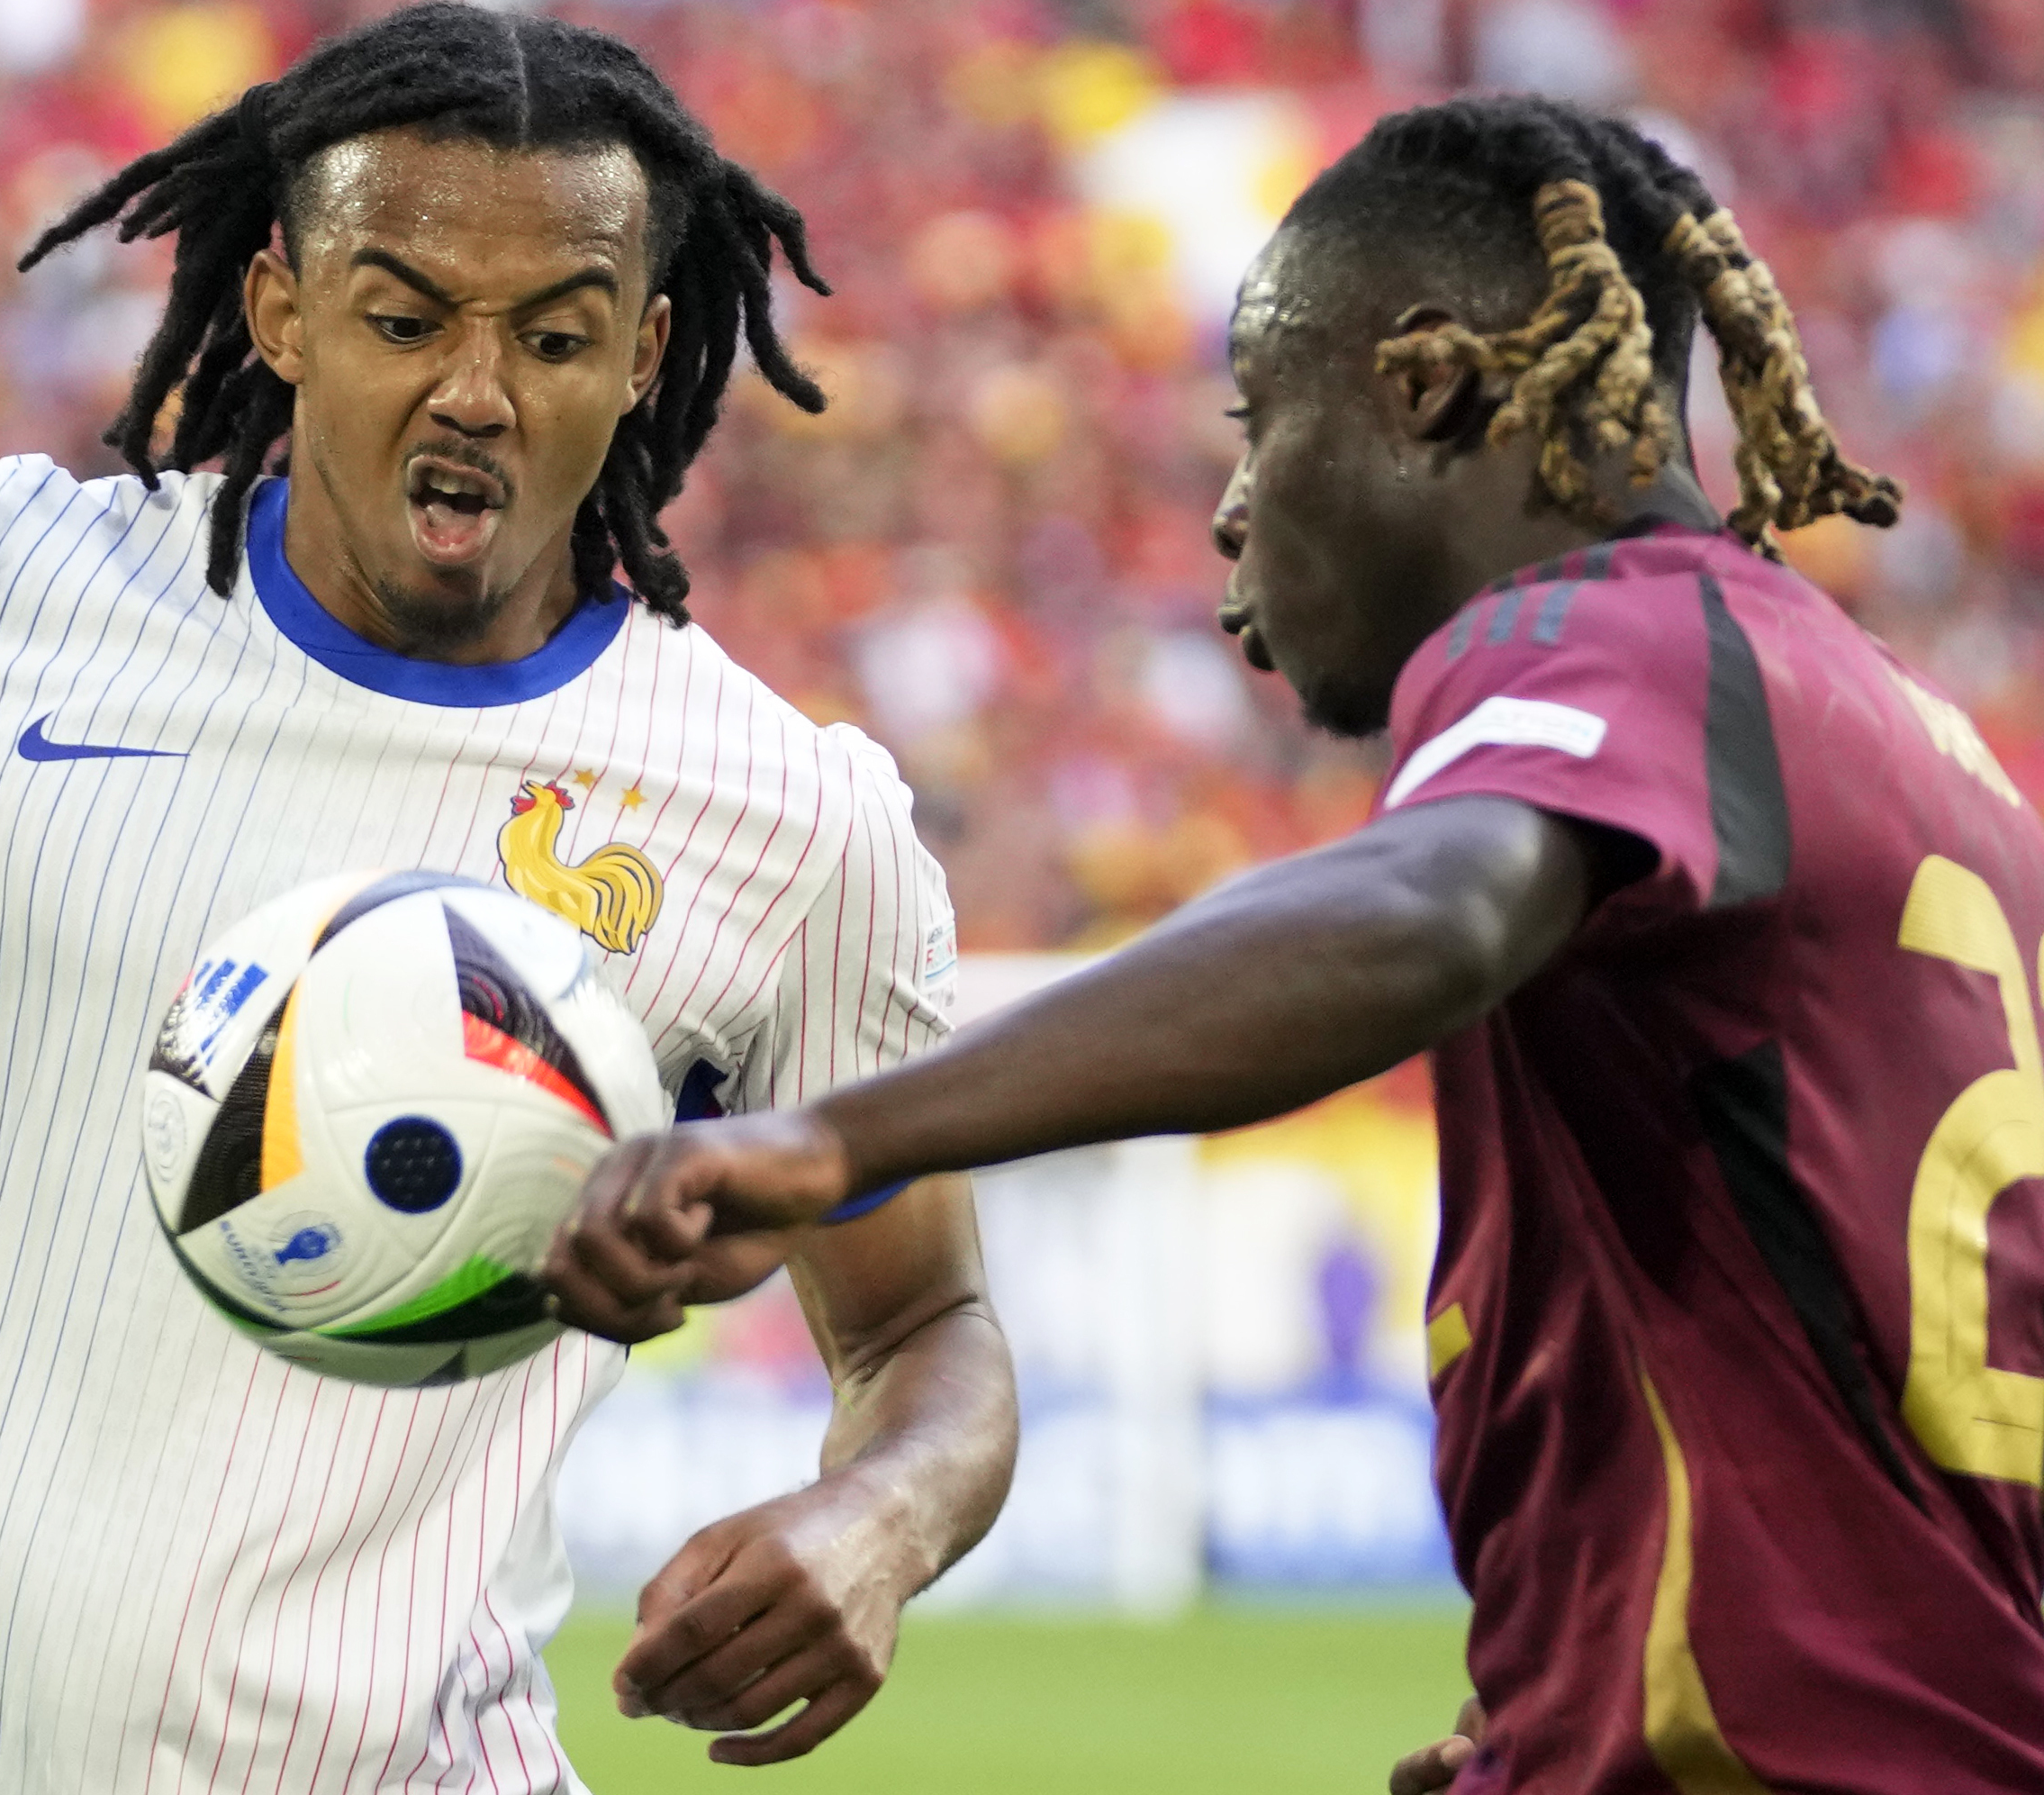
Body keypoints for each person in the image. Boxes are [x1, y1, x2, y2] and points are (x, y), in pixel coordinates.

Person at [0, 0, 1017, 1794]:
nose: (477, 389)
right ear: (279, 310)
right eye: (404, 318)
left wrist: (879, 1517)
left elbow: (925, 1326)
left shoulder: (788, 816)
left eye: (557, 335)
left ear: (645, 354)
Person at [546, 94, 2044, 1794]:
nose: (1231, 508)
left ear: (1425, 389)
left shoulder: (1601, 632)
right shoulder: (1905, 732)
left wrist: (834, 1134)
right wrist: (1580, 1682)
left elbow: (1424, 909)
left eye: (1261, 420)